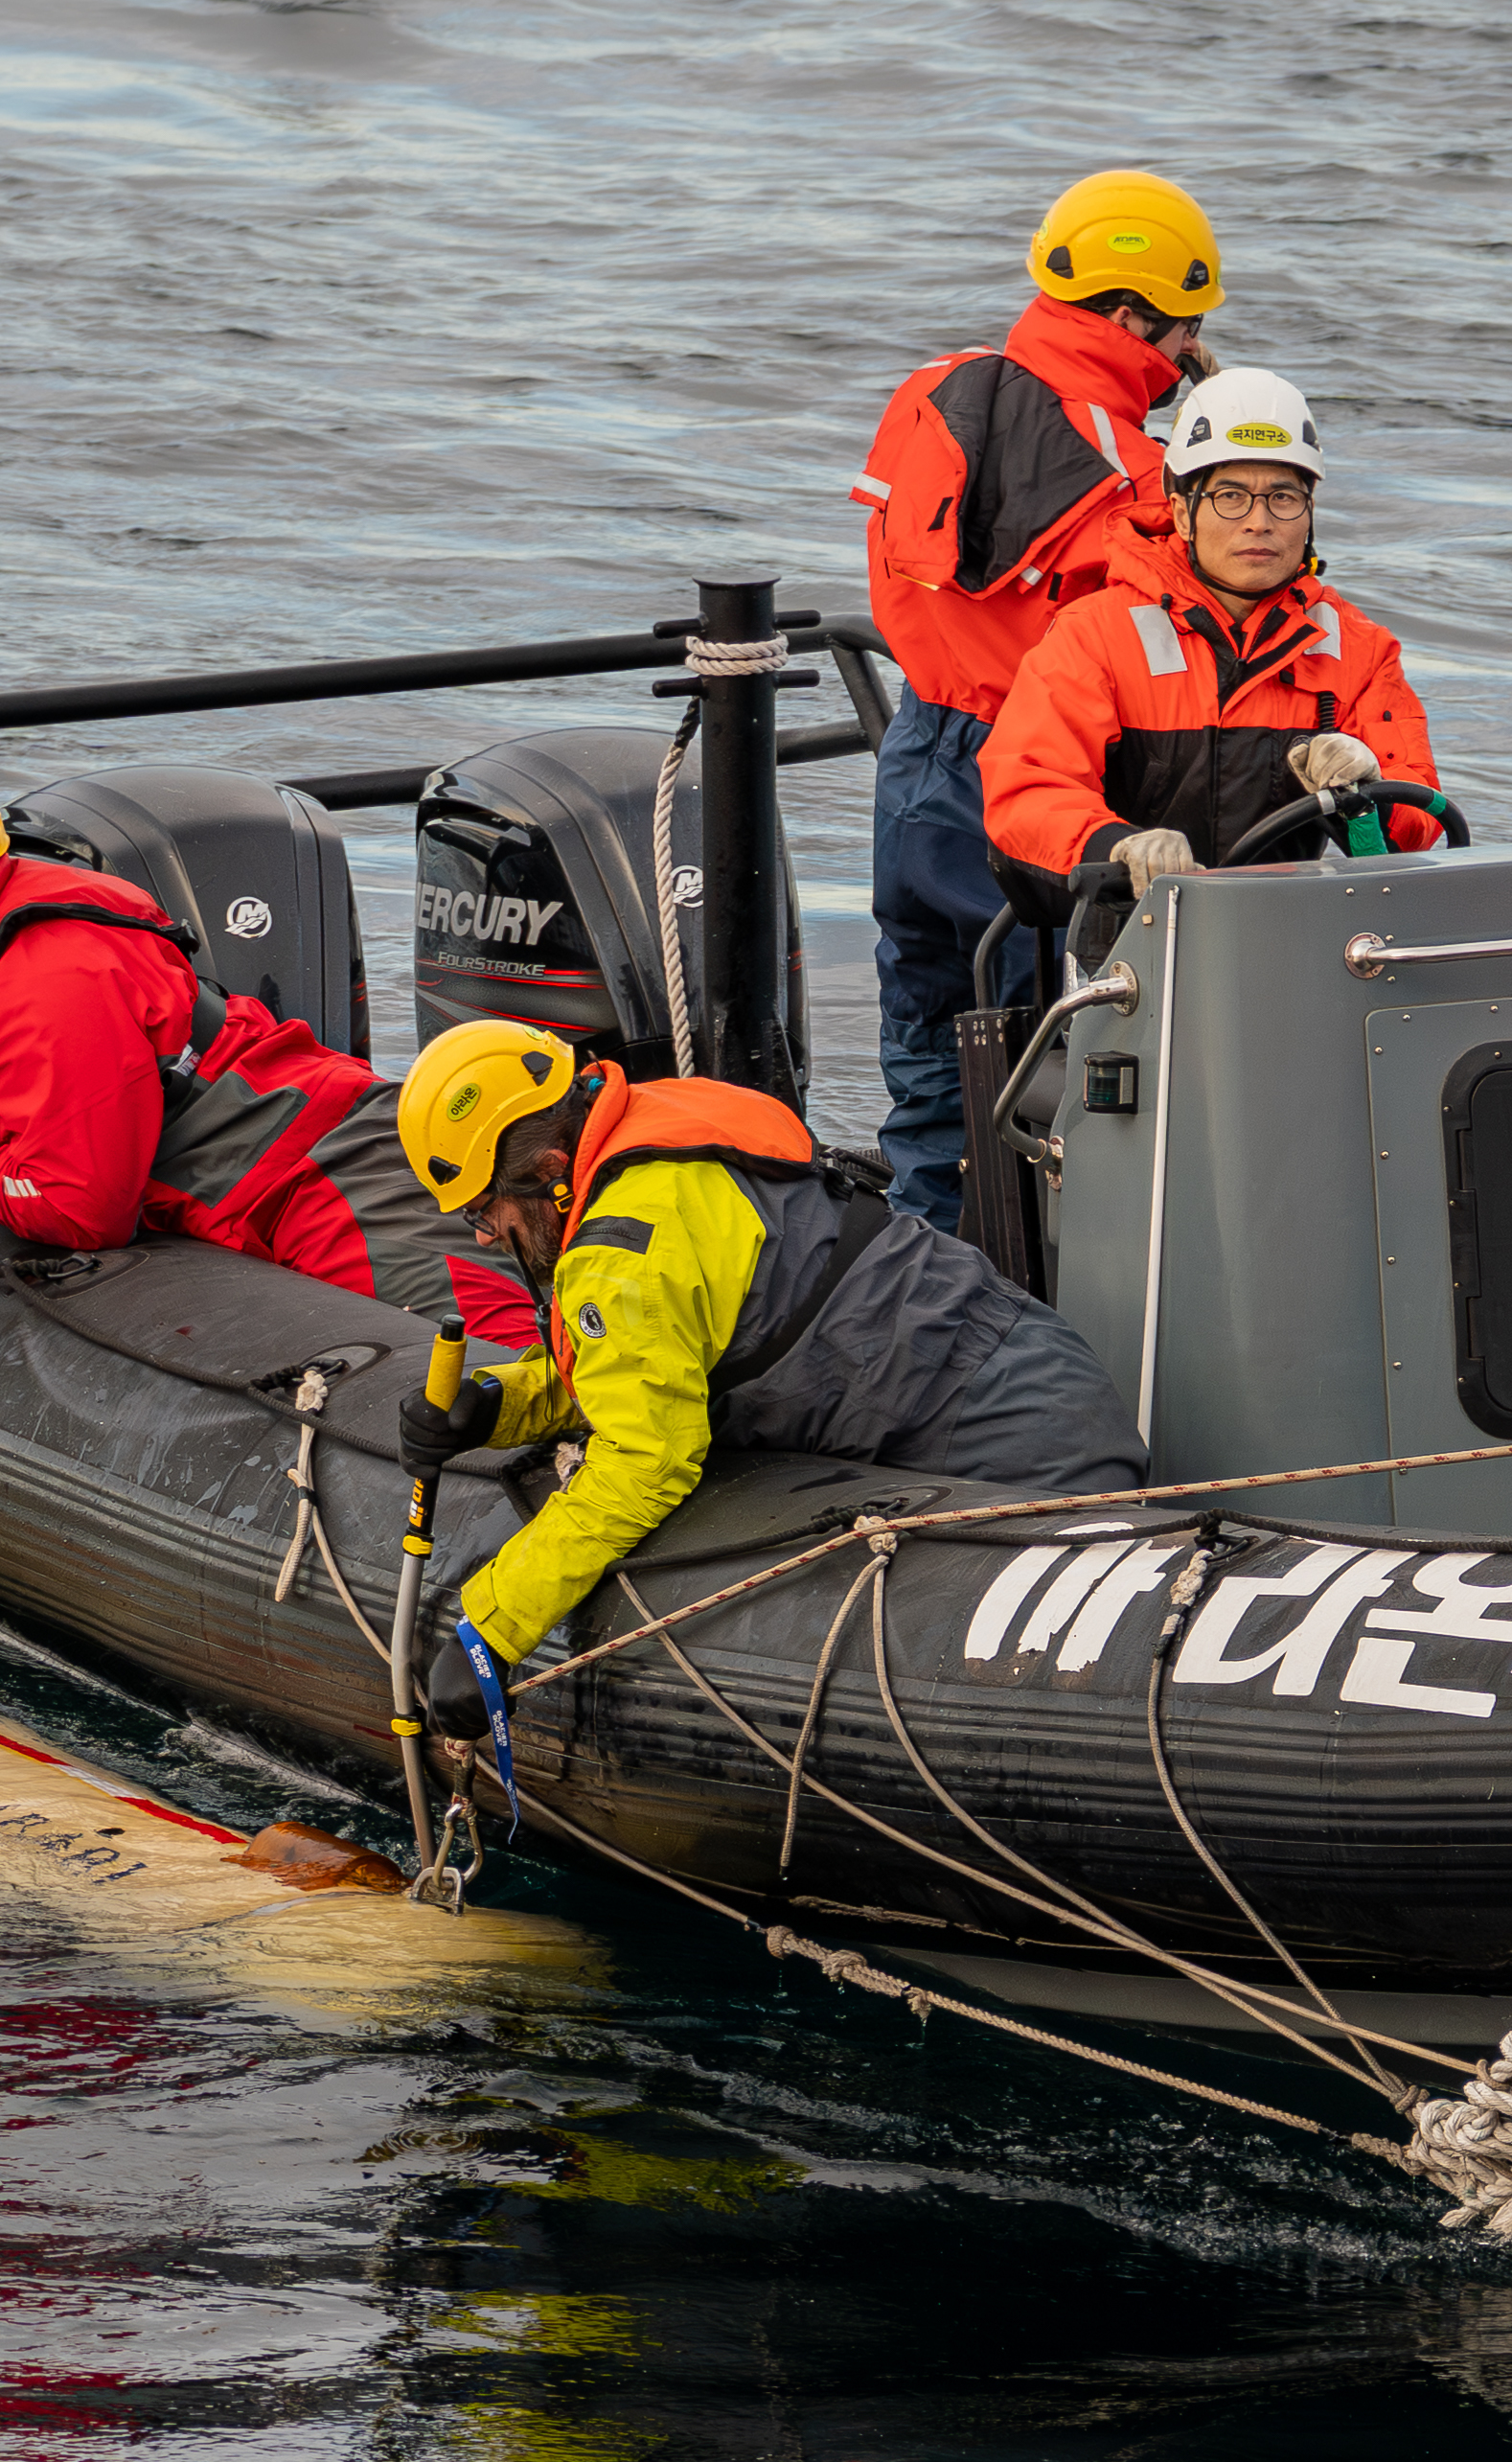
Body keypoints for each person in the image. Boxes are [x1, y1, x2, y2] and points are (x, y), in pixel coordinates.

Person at [384, 1019, 1145, 1711]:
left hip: (1012, 1442)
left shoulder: (619, 1255)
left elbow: (645, 1463)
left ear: (552, 1168)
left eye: (485, 1211)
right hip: (1026, 1362)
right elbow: (652, 1356)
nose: (483, 1236)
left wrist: (489, 1631)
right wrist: (497, 1403)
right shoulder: (654, 1139)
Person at [0, 748, 523, 1333]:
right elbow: (48, 1117)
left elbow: (81, 1210)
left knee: (495, 1353)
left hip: (322, 1179)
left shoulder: (47, 979)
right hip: (282, 1165)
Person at [846, 168, 1226, 1228]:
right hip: (1026, 772)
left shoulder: (933, 389)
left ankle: (912, 1283)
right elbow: (1183, 621)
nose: (1185, 349)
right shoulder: (1135, 469)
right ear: (1127, 314)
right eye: (1181, 328)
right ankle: (998, 1324)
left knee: (928, 1053)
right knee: (1019, 1066)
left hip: (917, 748)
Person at [976, 367, 1444, 933]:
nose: (1259, 522)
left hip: (1292, 943)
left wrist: (1370, 788)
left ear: (1310, 512)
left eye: (1283, 497)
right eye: (1230, 497)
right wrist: (1122, 845)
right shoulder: (1094, 633)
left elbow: (1416, 827)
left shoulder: (1360, 649)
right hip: (1127, 950)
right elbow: (1026, 786)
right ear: (1180, 513)